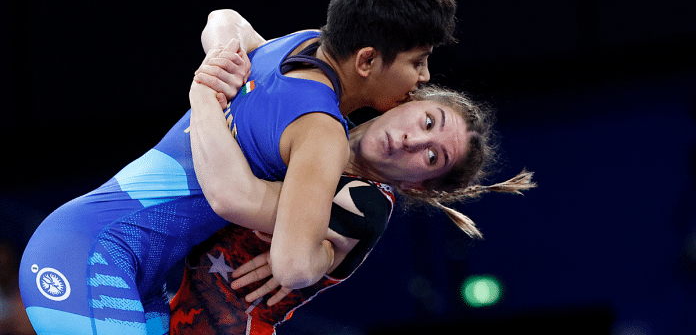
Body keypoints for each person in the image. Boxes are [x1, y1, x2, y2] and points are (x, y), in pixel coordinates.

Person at [18, 0, 459, 335]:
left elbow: (223, 17)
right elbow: (285, 258)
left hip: (134, 274)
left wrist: (215, 60)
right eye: (417, 62)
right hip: (88, 254)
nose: (422, 78)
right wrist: (325, 249)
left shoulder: (299, 46)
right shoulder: (320, 130)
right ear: (366, 60)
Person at [170, 56, 535, 334]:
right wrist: (221, 47)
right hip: (162, 296)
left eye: (432, 156)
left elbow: (236, 195)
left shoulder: (367, 206)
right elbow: (229, 21)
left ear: (417, 186)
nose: (414, 140)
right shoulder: (319, 121)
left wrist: (204, 93)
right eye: (427, 121)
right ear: (406, 101)